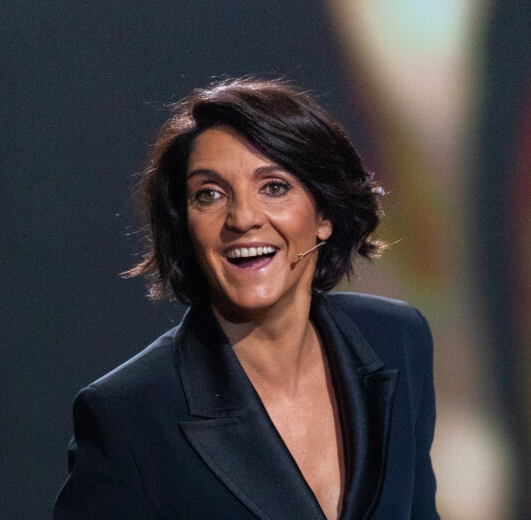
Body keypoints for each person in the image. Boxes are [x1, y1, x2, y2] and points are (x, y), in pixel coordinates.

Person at [53, 78, 439, 519]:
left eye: (273, 187)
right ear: (186, 225)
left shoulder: (398, 339)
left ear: (325, 215)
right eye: (210, 194)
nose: (242, 218)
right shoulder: (129, 414)